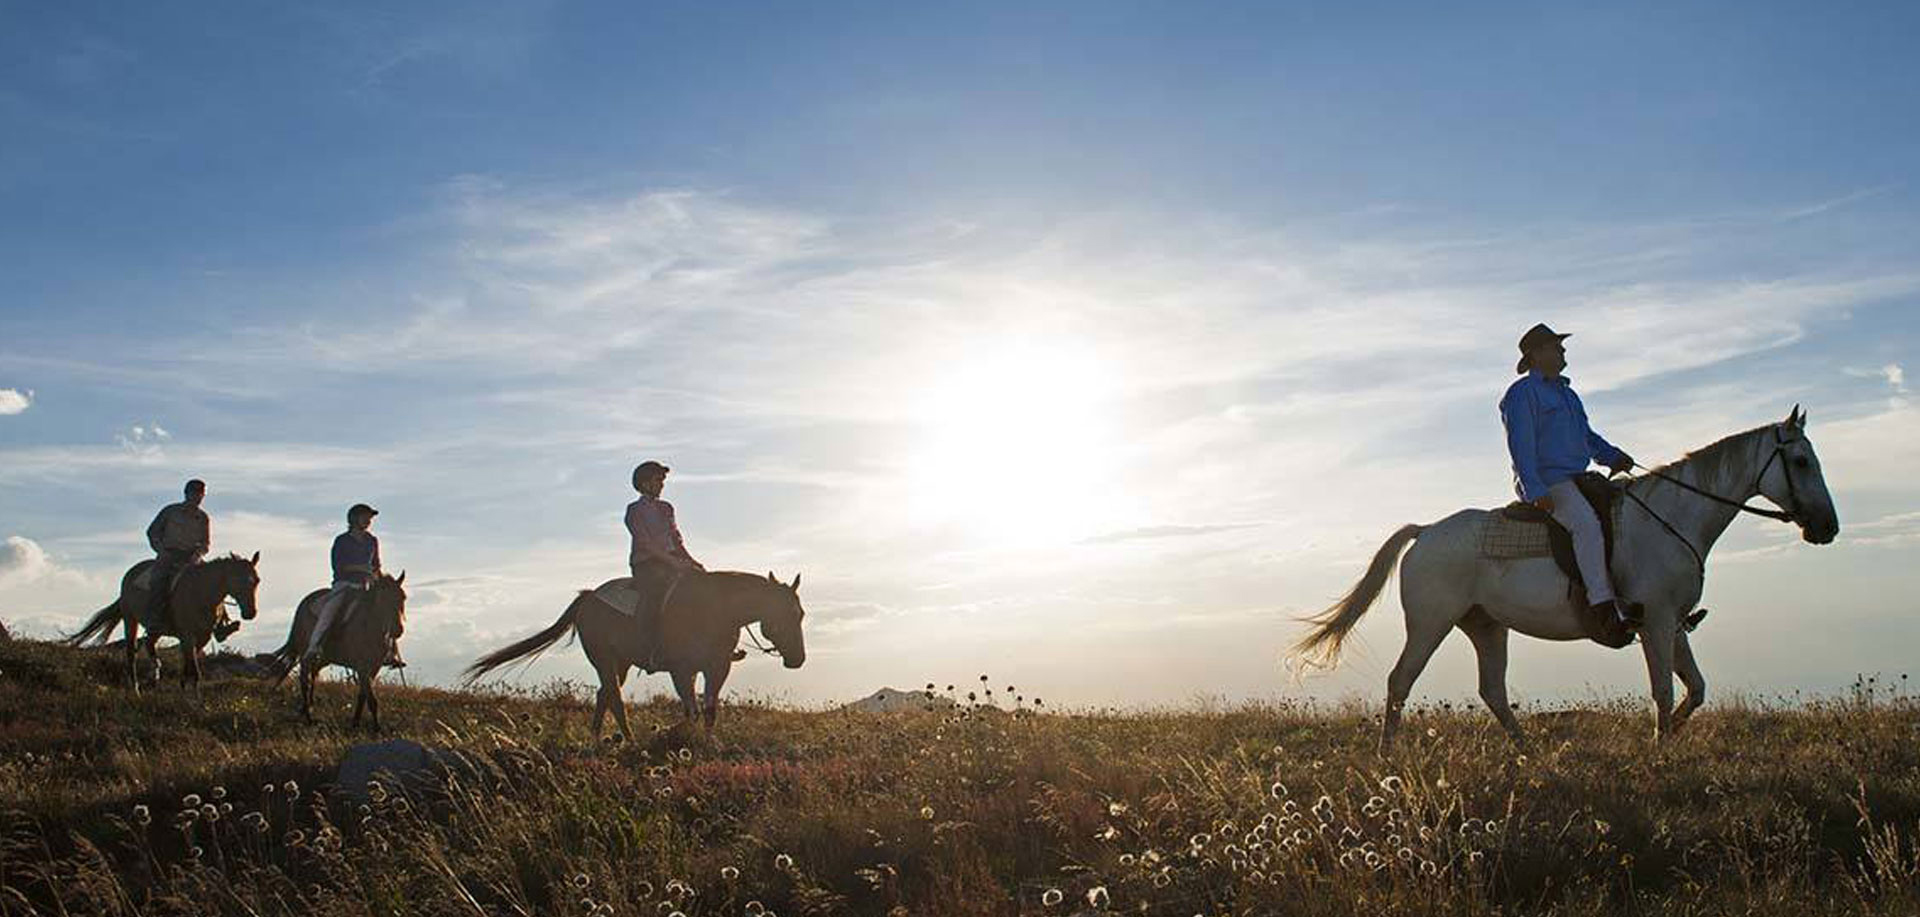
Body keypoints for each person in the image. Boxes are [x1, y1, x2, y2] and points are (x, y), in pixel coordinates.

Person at [1501, 324, 1637, 642]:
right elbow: (1520, 444)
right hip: (1549, 481)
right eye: (1556, 346)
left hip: (1577, 477)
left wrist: (1613, 456)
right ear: (1537, 354)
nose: (1563, 351)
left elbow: (1587, 438)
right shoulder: (1521, 393)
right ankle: (1602, 605)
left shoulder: (1567, 393)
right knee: (1586, 525)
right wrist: (1535, 490)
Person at [625, 461, 704, 672]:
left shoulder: (666, 508)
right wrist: (673, 562)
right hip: (647, 564)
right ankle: (653, 649)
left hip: (672, 562)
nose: (661, 485)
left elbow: (676, 540)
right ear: (644, 483)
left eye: (661, 480)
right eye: (657, 480)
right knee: (656, 595)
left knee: (702, 588)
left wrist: (691, 561)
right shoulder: (634, 510)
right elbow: (645, 544)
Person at [304, 503, 402, 667]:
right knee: (330, 611)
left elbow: (376, 564)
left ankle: (391, 652)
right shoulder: (342, 540)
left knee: (386, 609)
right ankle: (314, 647)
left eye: (370, 518)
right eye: (365, 517)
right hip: (344, 584)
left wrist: (380, 580)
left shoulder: (372, 540)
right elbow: (338, 565)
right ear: (354, 519)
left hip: (366, 586)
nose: (368, 521)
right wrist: (360, 568)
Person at [142, 479, 211, 634]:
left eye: (201, 494)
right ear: (187, 494)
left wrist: (198, 554)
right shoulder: (170, 511)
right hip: (170, 554)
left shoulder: (203, 517)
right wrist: (160, 550)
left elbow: (206, 543)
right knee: (159, 580)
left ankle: (220, 624)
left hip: (192, 558)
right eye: (195, 494)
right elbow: (152, 532)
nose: (198, 498)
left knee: (213, 580)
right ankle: (155, 620)